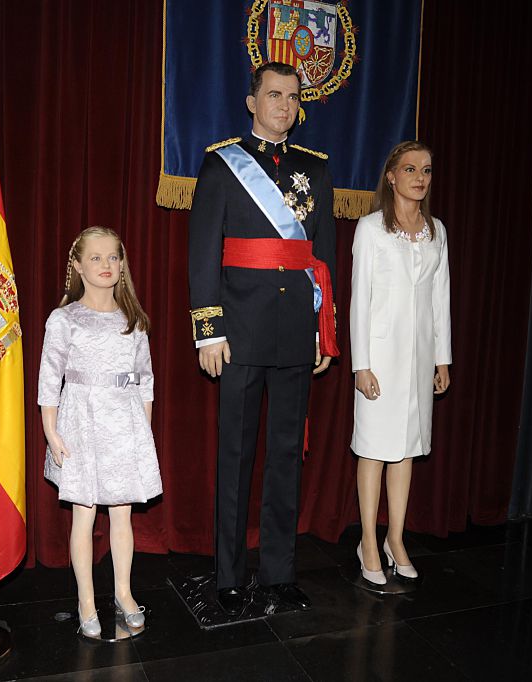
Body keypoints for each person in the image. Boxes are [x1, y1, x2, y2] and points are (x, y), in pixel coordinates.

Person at [188, 61, 338, 615]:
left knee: (283, 457)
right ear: (252, 102)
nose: (283, 104)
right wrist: (209, 330)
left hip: (296, 332)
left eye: (293, 97)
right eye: (273, 94)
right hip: (240, 332)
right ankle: (228, 577)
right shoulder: (221, 164)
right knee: (235, 454)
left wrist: (325, 332)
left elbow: (323, 258)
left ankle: (278, 574)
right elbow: (203, 251)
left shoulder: (315, 171)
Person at [38, 226, 162, 638]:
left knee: (123, 514)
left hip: (124, 425)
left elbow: (145, 380)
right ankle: (86, 600)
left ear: (122, 265)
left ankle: (124, 593)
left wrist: (142, 429)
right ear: (77, 265)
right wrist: (51, 431)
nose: (106, 265)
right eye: (95, 257)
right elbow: (48, 379)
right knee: (84, 514)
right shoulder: (64, 319)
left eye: (113, 257)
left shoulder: (133, 321)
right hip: (81, 424)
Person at [349, 141, 451, 585]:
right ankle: (368, 541)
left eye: (426, 170)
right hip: (379, 357)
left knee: (406, 449)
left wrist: (441, 358)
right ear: (391, 176)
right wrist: (361, 364)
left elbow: (441, 300)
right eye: (410, 169)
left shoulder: (436, 231)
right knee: (374, 448)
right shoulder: (371, 228)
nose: (419, 177)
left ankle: (396, 538)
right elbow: (359, 301)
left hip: (418, 359)